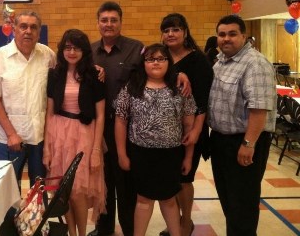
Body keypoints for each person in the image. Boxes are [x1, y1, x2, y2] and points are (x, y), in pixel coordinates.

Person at [115, 43, 196, 236]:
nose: (156, 63)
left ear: (169, 61)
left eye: (161, 58)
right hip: (141, 154)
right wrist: (121, 154)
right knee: (143, 200)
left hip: (171, 154)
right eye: (150, 59)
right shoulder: (132, 87)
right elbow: (120, 121)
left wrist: (188, 157)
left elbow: (188, 126)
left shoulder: (180, 88)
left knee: (169, 200)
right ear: (143, 63)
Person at [208, 14, 276, 236]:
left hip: (243, 141)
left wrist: (248, 143)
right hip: (221, 141)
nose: (226, 39)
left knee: (242, 207)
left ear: (244, 36)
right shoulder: (221, 61)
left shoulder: (255, 63)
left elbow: (259, 108)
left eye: (232, 34)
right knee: (230, 203)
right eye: (222, 34)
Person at [0, 11, 56, 187]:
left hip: (39, 137)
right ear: (14, 29)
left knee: (38, 189)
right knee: (8, 190)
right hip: (9, 138)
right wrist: (12, 134)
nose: (28, 31)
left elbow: (68, 73)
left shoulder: (48, 55)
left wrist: (94, 68)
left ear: (39, 32)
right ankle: (11, 216)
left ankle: (35, 216)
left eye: (33, 27)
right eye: (23, 26)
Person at [44, 29, 106, 236]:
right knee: (64, 191)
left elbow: (100, 114)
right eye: (68, 47)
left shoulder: (94, 74)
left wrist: (96, 149)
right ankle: (70, 232)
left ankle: (81, 233)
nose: (71, 52)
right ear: (62, 49)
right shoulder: (54, 74)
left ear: (84, 51)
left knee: (79, 192)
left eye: (77, 48)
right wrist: (47, 148)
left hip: (84, 134)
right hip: (58, 133)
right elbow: (49, 111)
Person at [90, 1, 143, 236]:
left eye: (113, 20)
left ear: (120, 22)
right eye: (104, 20)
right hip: (96, 127)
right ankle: (104, 230)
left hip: (127, 129)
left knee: (126, 182)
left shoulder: (136, 48)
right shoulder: (89, 51)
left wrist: (179, 74)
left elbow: (154, 72)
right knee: (102, 181)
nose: (109, 24)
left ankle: (130, 230)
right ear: (98, 23)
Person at [159, 13, 214, 236]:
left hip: (190, 130)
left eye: (175, 29)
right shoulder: (160, 57)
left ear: (185, 32)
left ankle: (186, 222)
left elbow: (203, 102)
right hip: (165, 130)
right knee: (170, 179)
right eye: (166, 30)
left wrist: (196, 132)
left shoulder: (198, 61)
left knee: (184, 178)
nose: (170, 34)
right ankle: (176, 219)